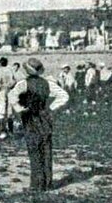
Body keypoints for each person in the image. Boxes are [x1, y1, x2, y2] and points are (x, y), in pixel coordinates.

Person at [7, 57, 70, 192]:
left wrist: (19, 109)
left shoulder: (23, 83)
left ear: (27, 71)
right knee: (46, 147)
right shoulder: (48, 83)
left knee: (34, 149)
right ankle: (47, 183)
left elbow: (11, 96)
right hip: (44, 116)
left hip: (30, 117)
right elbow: (64, 96)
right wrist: (51, 108)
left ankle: (36, 184)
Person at [0, 57, 15, 140]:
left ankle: (3, 132)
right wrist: (10, 86)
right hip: (9, 91)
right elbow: (14, 81)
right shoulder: (10, 70)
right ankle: (11, 131)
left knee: (1, 111)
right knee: (9, 111)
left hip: (2, 92)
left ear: (0, 63)